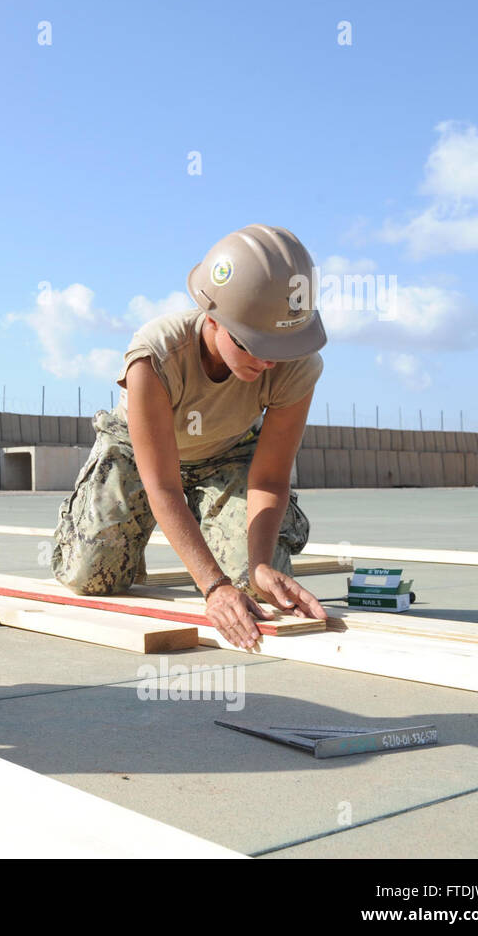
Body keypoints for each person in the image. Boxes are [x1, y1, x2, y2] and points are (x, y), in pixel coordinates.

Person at [52, 224, 329, 648]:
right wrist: (214, 586)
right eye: (254, 344)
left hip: (228, 452)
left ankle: (218, 529)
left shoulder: (297, 365)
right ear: (213, 317)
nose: (269, 362)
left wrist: (258, 565)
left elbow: (270, 478)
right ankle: (105, 529)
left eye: (280, 346)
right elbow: (162, 485)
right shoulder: (155, 355)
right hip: (137, 455)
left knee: (254, 587)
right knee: (93, 577)